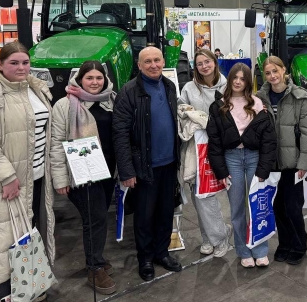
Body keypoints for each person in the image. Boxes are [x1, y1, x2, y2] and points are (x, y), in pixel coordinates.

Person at [0, 41, 56, 302]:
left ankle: (26, 287)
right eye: (14, 63)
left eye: (25, 62)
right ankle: (4, 296)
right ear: (0, 65)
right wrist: (7, 177)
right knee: (1, 239)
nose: (21, 67)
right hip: (2, 182)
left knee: (27, 233)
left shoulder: (34, 88)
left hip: (35, 176)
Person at [113, 46, 182, 282]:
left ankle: (162, 253)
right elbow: (120, 134)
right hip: (144, 166)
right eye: (148, 61)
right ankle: (145, 258)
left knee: (165, 211)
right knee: (144, 215)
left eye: (157, 60)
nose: (153, 65)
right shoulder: (129, 92)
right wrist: (126, 170)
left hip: (169, 163)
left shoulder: (169, 86)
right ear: (139, 65)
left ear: (163, 61)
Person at [50, 61, 117, 295]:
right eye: (89, 78)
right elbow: (56, 143)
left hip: (108, 170)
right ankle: (94, 267)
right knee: (95, 218)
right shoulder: (65, 104)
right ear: (80, 79)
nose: (95, 82)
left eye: (99, 78)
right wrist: (60, 179)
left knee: (99, 216)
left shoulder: (111, 100)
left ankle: (97, 256)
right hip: (82, 172)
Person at [207, 63, 277, 268]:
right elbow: (214, 141)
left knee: (258, 206)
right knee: (237, 208)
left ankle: (260, 250)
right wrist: (221, 170)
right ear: (229, 79)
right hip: (232, 159)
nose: (238, 82)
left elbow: (269, 140)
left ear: (248, 81)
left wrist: (264, 168)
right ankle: (243, 251)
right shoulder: (219, 105)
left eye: (243, 78)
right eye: (235, 78)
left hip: (254, 157)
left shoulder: (258, 103)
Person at [255, 56, 307, 266]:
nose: (272, 76)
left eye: (275, 71)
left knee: (293, 206)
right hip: (271, 163)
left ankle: (299, 246)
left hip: (292, 163)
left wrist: (304, 163)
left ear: (283, 70)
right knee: (277, 206)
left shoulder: (300, 97)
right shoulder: (259, 98)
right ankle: (284, 244)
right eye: (268, 73)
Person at [178, 49, 231, 258]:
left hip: (221, 146)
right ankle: (210, 237)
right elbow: (181, 111)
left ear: (215, 62)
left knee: (209, 194)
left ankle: (219, 235)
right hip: (196, 148)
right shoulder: (189, 88)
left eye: (207, 62)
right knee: (200, 194)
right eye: (199, 63)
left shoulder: (227, 86)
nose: (204, 66)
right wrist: (193, 117)